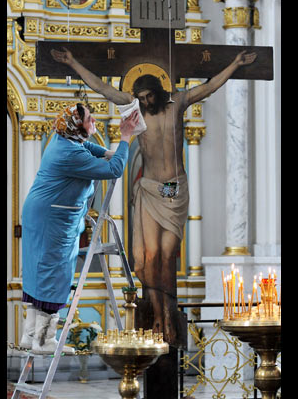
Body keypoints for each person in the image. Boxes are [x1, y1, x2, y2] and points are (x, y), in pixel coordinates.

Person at [50, 47, 257, 345]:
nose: (146, 102)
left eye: (149, 96)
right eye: (141, 97)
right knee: (146, 257)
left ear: (159, 92)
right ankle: (158, 316)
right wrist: (72, 61)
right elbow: (103, 88)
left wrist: (236, 63)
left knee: (166, 253)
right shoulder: (134, 107)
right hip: (148, 187)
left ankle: (168, 315)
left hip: (173, 187)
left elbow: (210, 86)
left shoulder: (179, 102)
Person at [20, 102, 140, 354]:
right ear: (77, 126)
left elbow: (88, 147)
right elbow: (115, 170)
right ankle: (43, 341)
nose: (93, 120)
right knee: (54, 274)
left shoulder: (63, 139)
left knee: (39, 272)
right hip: (53, 219)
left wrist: (109, 151)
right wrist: (125, 137)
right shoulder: (69, 154)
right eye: (89, 119)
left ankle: (30, 335)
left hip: (42, 214)